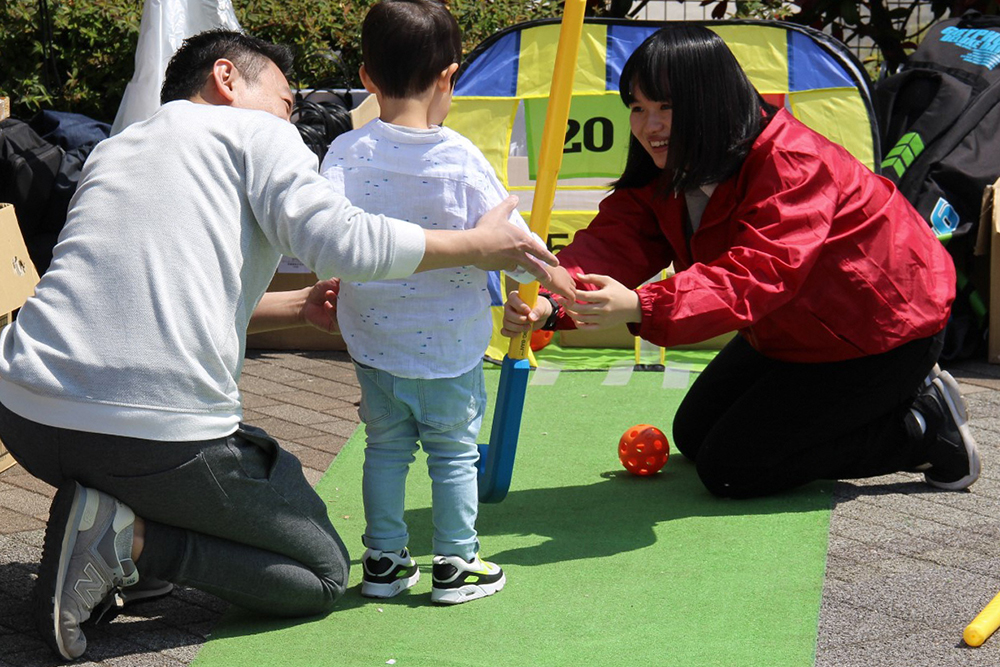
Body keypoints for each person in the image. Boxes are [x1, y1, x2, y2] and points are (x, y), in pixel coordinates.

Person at [0, 29, 564, 661]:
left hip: (25, 412)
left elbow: (150, 300)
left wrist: (292, 307)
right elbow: (341, 243)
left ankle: (122, 531)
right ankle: (128, 542)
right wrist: (476, 247)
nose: (292, 115)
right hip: (147, 435)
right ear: (227, 78)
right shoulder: (256, 132)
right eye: (287, 99)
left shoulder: (117, 147)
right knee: (320, 574)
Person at [503, 24, 979, 500]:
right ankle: (880, 411)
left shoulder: (793, 162)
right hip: (792, 328)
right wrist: (550, 299)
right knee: (693, 435)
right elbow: (617, 240)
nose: (650, 126)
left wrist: (641, 306)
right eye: (638, 108)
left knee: (731, 470)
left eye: (668, 107)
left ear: (713, 99)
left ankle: (922, 428)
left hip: (882, 333)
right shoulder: (673, 162)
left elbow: (758, 273)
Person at [318, 0, 566, 605]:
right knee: (454, 455)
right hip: (450, 346)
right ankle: (456, 563)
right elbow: (511, 241)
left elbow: (323, 236)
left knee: (385, 449)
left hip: (373, 340)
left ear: (366, 76)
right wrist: (554, 287)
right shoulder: (458, 159)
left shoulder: (347, 153)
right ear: (449, 76)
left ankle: (382, 560)